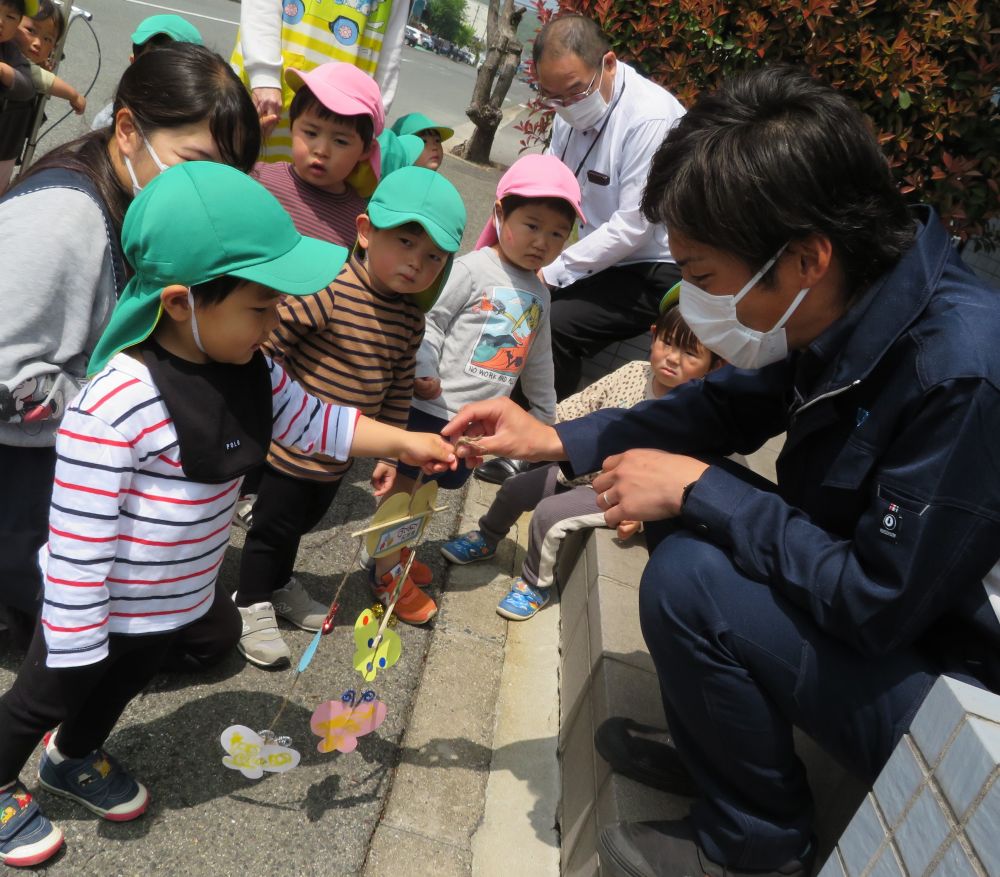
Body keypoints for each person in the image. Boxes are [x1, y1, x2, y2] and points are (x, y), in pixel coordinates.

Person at [443, 66, 1000, 877]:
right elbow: (719, 411)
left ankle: (757, 843)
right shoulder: (858, 299)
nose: (690, 299)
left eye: (702, 277)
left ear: (805, 257)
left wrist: (702, 488)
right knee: (672, 495)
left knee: (693, 574)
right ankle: (723, 745)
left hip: (959, 691)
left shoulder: (961, 373)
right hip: (898, 618)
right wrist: (553, 438)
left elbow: (878, 603)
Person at [0, 161, 456, 868]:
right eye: (260, 306)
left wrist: (404, 438)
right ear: (182, 302)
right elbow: (80, 538)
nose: (273, 322)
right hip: (90, 607)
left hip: (170, 601)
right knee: (39, 698)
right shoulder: (117, 400)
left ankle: (74, 754)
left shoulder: (256, 370)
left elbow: (319, 421)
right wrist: (77, 631)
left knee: (119, 686)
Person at [0, 43, 261, 659]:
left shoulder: (147, 204)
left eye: (228, 176)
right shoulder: (65, 218)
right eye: (194, 162)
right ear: (126, 130)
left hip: (89, 458)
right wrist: (133, 414)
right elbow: (7, 377)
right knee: (193, 636)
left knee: (202, 618)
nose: (207, 190)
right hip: (30, 472)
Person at [231, 166, 466, 664]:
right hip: (290, 443)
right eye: (404, 243)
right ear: (364, 231)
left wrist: (392, 449)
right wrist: (263, 407)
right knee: (273, 525)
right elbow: (270, 343)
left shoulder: (409, 317)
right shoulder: (331, 287)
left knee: (304, 520)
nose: (415, 264)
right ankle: (249, 601)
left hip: (342, 452)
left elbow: (400, 384)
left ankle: (277, 583)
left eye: (432, 258)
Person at [478, 14, 686, 484]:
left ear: (607, 63)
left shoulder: (651, 117)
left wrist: (554, 271)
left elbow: (635, 225)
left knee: (556, 325)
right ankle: (494, 419)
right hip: (604, 258)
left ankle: (538, 445)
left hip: (657, 266)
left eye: (573, 92)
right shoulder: (569, 110)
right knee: (517, 297)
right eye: (552, 96)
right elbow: (552, 182)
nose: (564, 105)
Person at [375, 154, 582, 599]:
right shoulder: (471, 269)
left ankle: (401, 558)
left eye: (556, 234)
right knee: (406, 490)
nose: (542, 242)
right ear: (500, 213)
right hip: (435, 409)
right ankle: (385, 573)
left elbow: (538, 362)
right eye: (532, 225)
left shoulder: (541, 294)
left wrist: (545, 417)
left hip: (476, 426)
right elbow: (429, 322)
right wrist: (424, 370)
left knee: (428, 497)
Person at [441, 304, 721, 621]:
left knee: (549, 515)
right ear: (653, 335)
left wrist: (642, 518)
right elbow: (583, 403)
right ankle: (487, 537)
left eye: (690, 353)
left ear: (713, 366)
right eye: (667, 343)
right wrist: (543, 431)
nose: (672, 358)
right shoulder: (633, 371)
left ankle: (535, 584)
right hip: (574, 469)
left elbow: (676, 480)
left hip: (614, 491)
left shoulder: (693, 415)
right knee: (514, 488)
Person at [232, 0, 409, 160]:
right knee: (241, 166)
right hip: (267, 87)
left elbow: (392, 42)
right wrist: (264, 75)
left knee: (315, 192)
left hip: (348, 111)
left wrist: (376, 116)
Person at [252, 61, 383, 250]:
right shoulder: (257, 177)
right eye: (311, 133)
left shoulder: (359, 223)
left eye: (340, 141)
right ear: (292, 126)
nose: (321, 150)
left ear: (365, 151)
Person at [90, 14, 204, 131]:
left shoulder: (203, 127)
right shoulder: (108, 120)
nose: (157, 80)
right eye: (150, 68)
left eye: (169, 73)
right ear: (133, 63)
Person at [16, 1, 86, 118]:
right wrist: (74, 95)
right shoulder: (10, 53)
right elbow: (39, 77)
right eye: (31, 30)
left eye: (47, 39)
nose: (38, 43)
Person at [0, 0, 35, 191]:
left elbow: (28, 87)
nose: (1, 21)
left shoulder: (11, 52)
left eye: (10, 17)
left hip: (4, 146)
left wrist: (4, 72)